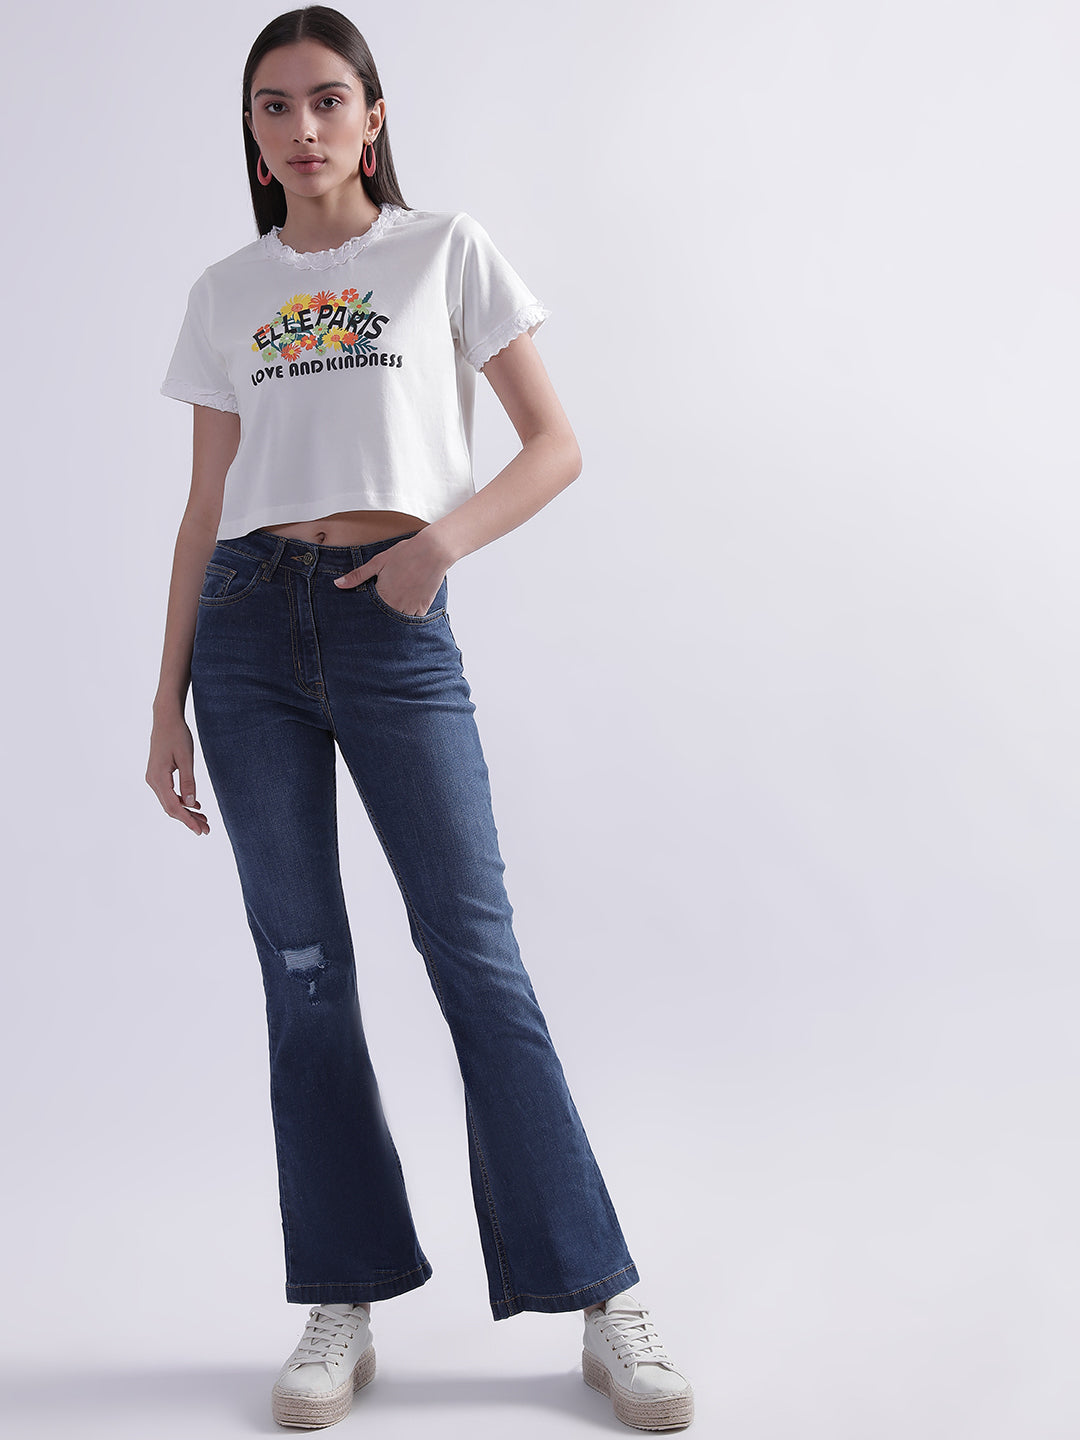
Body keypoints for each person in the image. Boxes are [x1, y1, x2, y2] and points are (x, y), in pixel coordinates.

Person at [146, 6, 694, 1432]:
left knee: (476, 956)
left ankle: (603, 1298)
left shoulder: (443, 250)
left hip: (393, 618)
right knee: (305, 969)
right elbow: (204, 508)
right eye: (275, 105)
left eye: (329, 99)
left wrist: (438, 547)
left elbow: (555, 444)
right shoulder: (225, 290)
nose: (303, 127)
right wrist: (165, 701)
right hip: (246, 632)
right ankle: (343, 1297)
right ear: (251, 131)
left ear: (373, 115)